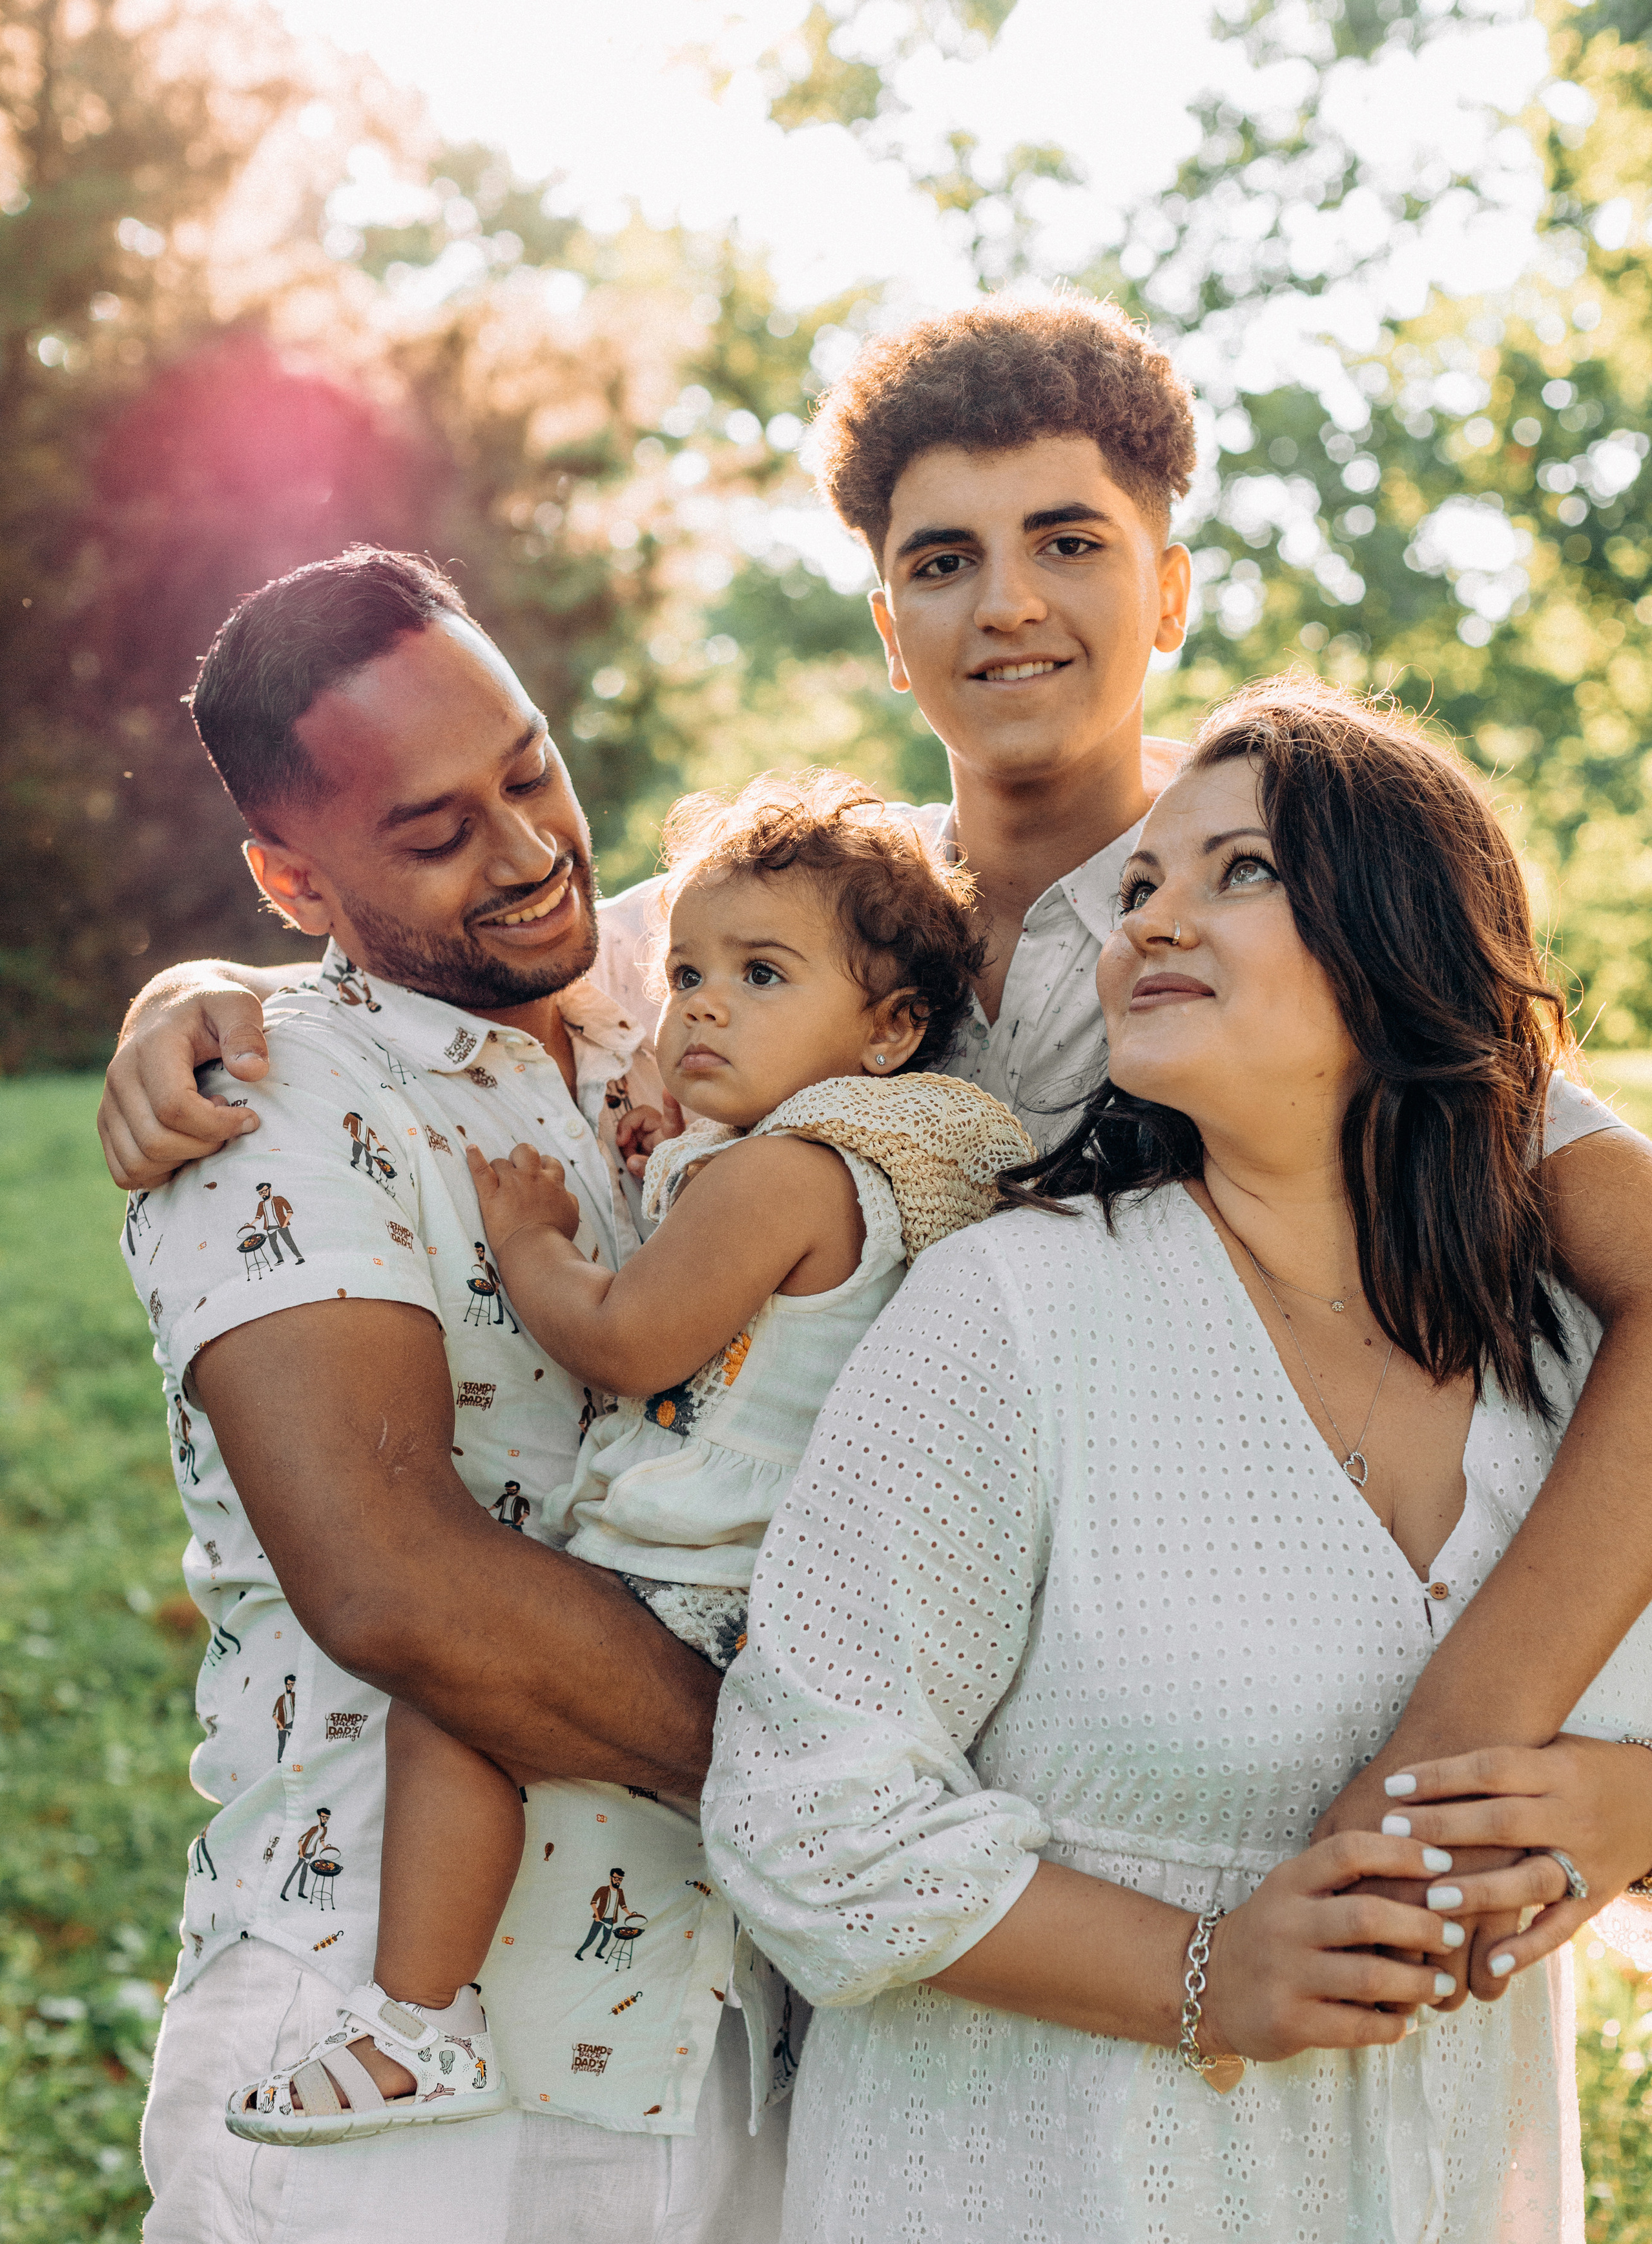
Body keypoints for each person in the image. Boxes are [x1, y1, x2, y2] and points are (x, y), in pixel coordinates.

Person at [95, 297, 1652, 1944]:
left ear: (1170, 587)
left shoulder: (1286, 939)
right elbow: (477, 960)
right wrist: (205, 988)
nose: (1010, 606)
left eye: (1068, 541)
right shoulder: (766, 918)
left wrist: (1499, 1772)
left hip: (1221, 1779)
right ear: (887, 630)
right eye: (941, 563)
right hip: (876, 1833)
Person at [701, 680, 1652, 2244]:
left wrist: (1632, 1807)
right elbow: (802, 1812)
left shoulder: (1560, 1364)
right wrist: (1203, 1968)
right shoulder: (1018, 1317)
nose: (1149, 918)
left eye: (1236, 873)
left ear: (1404, 939)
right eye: (1142, 885)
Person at [120, 548, 787, 2244]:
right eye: (434, 830)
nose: (524, 851)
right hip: (396, 2051)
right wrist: (825, 1786)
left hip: (712, 2033)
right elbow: (398, 1583)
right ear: (293, 885)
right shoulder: (270, 1094)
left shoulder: (697, 990)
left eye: (530, 769)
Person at [225, 774, 1028, 2143]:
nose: (699, 1006)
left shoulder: (789, 1175)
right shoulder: (805, 1167)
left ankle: (418, 2024)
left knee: (457, 1709)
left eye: (758, 976)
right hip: (752, 1587)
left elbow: (626, 1340)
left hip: (704, 1584)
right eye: (687, 973)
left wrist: (535, 1247)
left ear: (890, 1031)